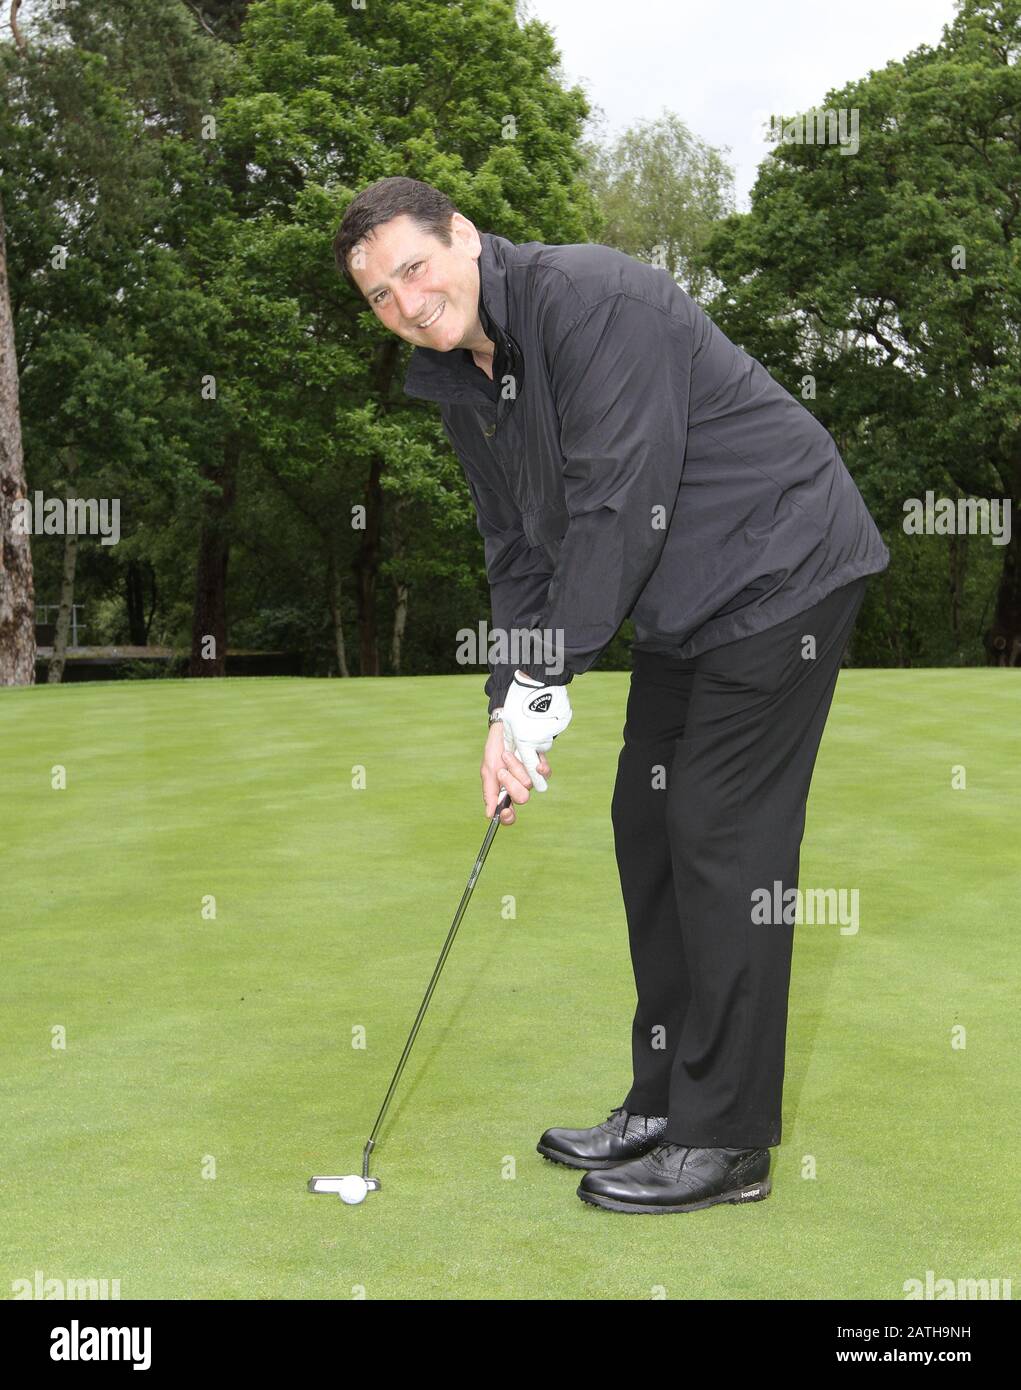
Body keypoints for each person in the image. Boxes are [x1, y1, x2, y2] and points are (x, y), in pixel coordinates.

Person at [335, 176, 889, 1215]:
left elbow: (618, 501)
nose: (406, 303)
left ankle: (724, 1142)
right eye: (380, 296)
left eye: (414, 269)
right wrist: (508, 708)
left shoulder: (590, 301)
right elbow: (517, 552)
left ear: (461, 238)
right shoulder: (460, 375)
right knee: (647, 820)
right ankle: (663, 1101)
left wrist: (551, 680)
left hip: (784, 568)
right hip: (685, 602)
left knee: (718, 835)